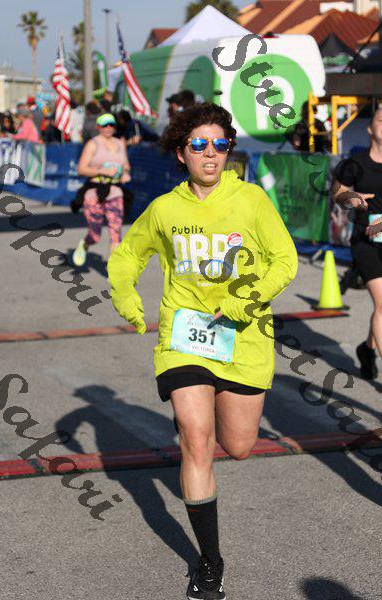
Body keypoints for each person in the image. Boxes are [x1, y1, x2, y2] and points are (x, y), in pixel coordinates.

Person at [107, 102, 298, 599]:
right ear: (181, 152)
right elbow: (128, 255)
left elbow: (285, 259)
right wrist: (125, 293)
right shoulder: (165, 209)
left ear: (228, 150)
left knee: (238, 446)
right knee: (196, 439)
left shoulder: (251, 200)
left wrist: (246, 300)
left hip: (244, 337)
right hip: (185, 334)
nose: (210, 153)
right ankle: (210, 562)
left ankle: (201, 421)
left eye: (219, 144)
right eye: (199, 144)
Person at [333, 108, 382, 380]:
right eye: (381, 119)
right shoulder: (356, 163)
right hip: (367, 241)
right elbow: (337, 194)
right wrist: (351, 198)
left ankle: (367, 348)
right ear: (370, 129)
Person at [72, 113, 132, 267]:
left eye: (111, 125)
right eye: (105, 125)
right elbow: (81, 169)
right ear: (98, 127)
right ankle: (85, 244)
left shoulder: (120, 143)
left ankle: (113, 272)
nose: (108, 128)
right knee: (95, 234)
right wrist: (102, 171)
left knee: (116, 234)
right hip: (95, 192)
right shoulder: (93, 144)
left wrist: (125, 173)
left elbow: (126, 165)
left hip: (115, 191)